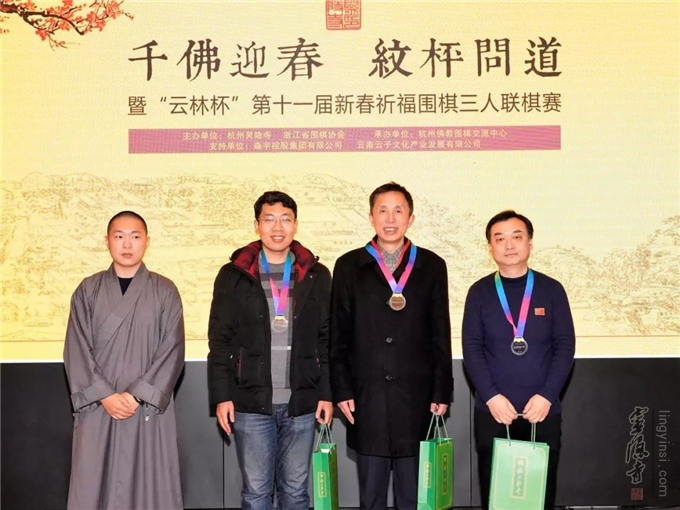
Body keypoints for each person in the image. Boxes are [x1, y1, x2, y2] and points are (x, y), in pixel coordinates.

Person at [330, 182, 453, 509]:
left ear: (410, 218)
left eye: (398, 211)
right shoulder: (348, 266)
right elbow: (338, 335)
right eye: (382, 210)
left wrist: (441, 391)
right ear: (371, 216)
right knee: (371, 496)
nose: (390, 218)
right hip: (366, 397)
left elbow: (440, 333)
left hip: (417, 398)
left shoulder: (431, 265)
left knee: (413, 496)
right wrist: (342, 389)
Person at [208, 191, 333, 510]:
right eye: (269, 219)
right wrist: (222, 396)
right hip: (250, 402)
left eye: (285, 219)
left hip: (301, 402)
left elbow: (326, 339)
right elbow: (220, 340)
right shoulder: (234, 275)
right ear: (257, 225)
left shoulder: (316, 275)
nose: (278, 227)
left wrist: (326, 393)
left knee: (296, 492)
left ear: (295, 225)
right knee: (256, 493)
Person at [63, 210, 185, 510]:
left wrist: (137, 395)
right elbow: (76, 348)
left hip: (145, 406)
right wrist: (104, 395)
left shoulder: (165, 290)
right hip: (99, 405)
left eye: (135, 236)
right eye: (119, 236)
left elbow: (172, 349)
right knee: (94, 480)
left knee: (149, 483)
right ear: (107, 241)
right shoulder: (87, 290)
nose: (127, 244)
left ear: (147, 242)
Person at [462, 210, 575, 510]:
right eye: (500, 239)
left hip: (542, 411)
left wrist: (547, 396)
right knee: (497, 497)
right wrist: (491, 397)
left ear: (530, 243)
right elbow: (472, 348)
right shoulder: (479, 292)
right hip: (494, 412)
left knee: (538, 497)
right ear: (490, 247)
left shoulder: (551, 290)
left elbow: (565, 346)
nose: (509, 245)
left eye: (517, 237)